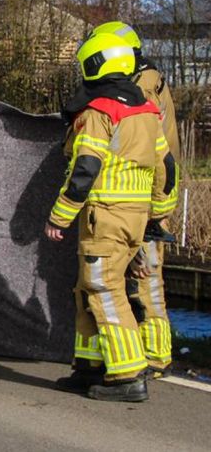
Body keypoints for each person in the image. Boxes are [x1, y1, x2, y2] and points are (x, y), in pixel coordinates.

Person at [49, 32, 176, 402]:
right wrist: (157, 216)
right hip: (134, 219)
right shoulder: (147, 110)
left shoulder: (100, 111)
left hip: (103, 214)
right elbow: (165, 167)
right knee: (86, 289)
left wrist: (59, 217)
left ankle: (127, 375)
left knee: (104, 288)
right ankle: (88, 366)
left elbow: (85, 167)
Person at [88, 21, 180, 379]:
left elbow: (147, 149)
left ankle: (154, 357)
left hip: (142, 200)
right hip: (147, 197)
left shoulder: (141, 87)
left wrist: (156, 216)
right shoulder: (152, 80)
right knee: (142, 276)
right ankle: (148, 353)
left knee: (146, 276)